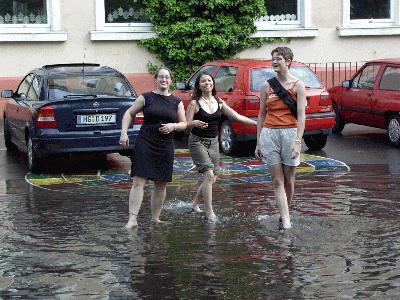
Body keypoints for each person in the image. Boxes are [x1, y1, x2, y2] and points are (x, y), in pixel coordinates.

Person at [120, 67, 187, 228]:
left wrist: (174, 126)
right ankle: (132, 219)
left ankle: (155, 218)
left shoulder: (176, 102)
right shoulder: (145, 98)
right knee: (139, 180)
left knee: (161, 183)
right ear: (155, 80)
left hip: (165, 145)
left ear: (171, 81)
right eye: (161, 77)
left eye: (167, 77)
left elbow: (184, 124)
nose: (164, 80)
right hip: (145, 142)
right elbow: (129, 113)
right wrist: (124, 133)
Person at [186, 72, 257, 222]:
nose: (207, 83)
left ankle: (194, 204)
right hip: (197, 141)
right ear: (199, 85)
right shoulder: (194, 103)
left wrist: (258, 124)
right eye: (203, 81)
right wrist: (193, 123)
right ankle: (209, 212)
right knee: (209, 175)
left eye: (209, 80)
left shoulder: (219, 102)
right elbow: (185, 125)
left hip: (214, 142)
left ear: (213, 83)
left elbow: (237, 116)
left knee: (212, 178)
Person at [255, 46, 307, 230]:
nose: (275, 62)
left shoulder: (298, 86)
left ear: (288, 61)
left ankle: (284, 212)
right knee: (277, 181)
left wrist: (298, 142)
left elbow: (301, 116)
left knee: (289, 180)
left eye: (279, 59)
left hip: (290, 134)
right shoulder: (266, 86)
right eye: (273, 59)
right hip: (269, 134)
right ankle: (286, 221)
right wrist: (258, 141)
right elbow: (261, 115)